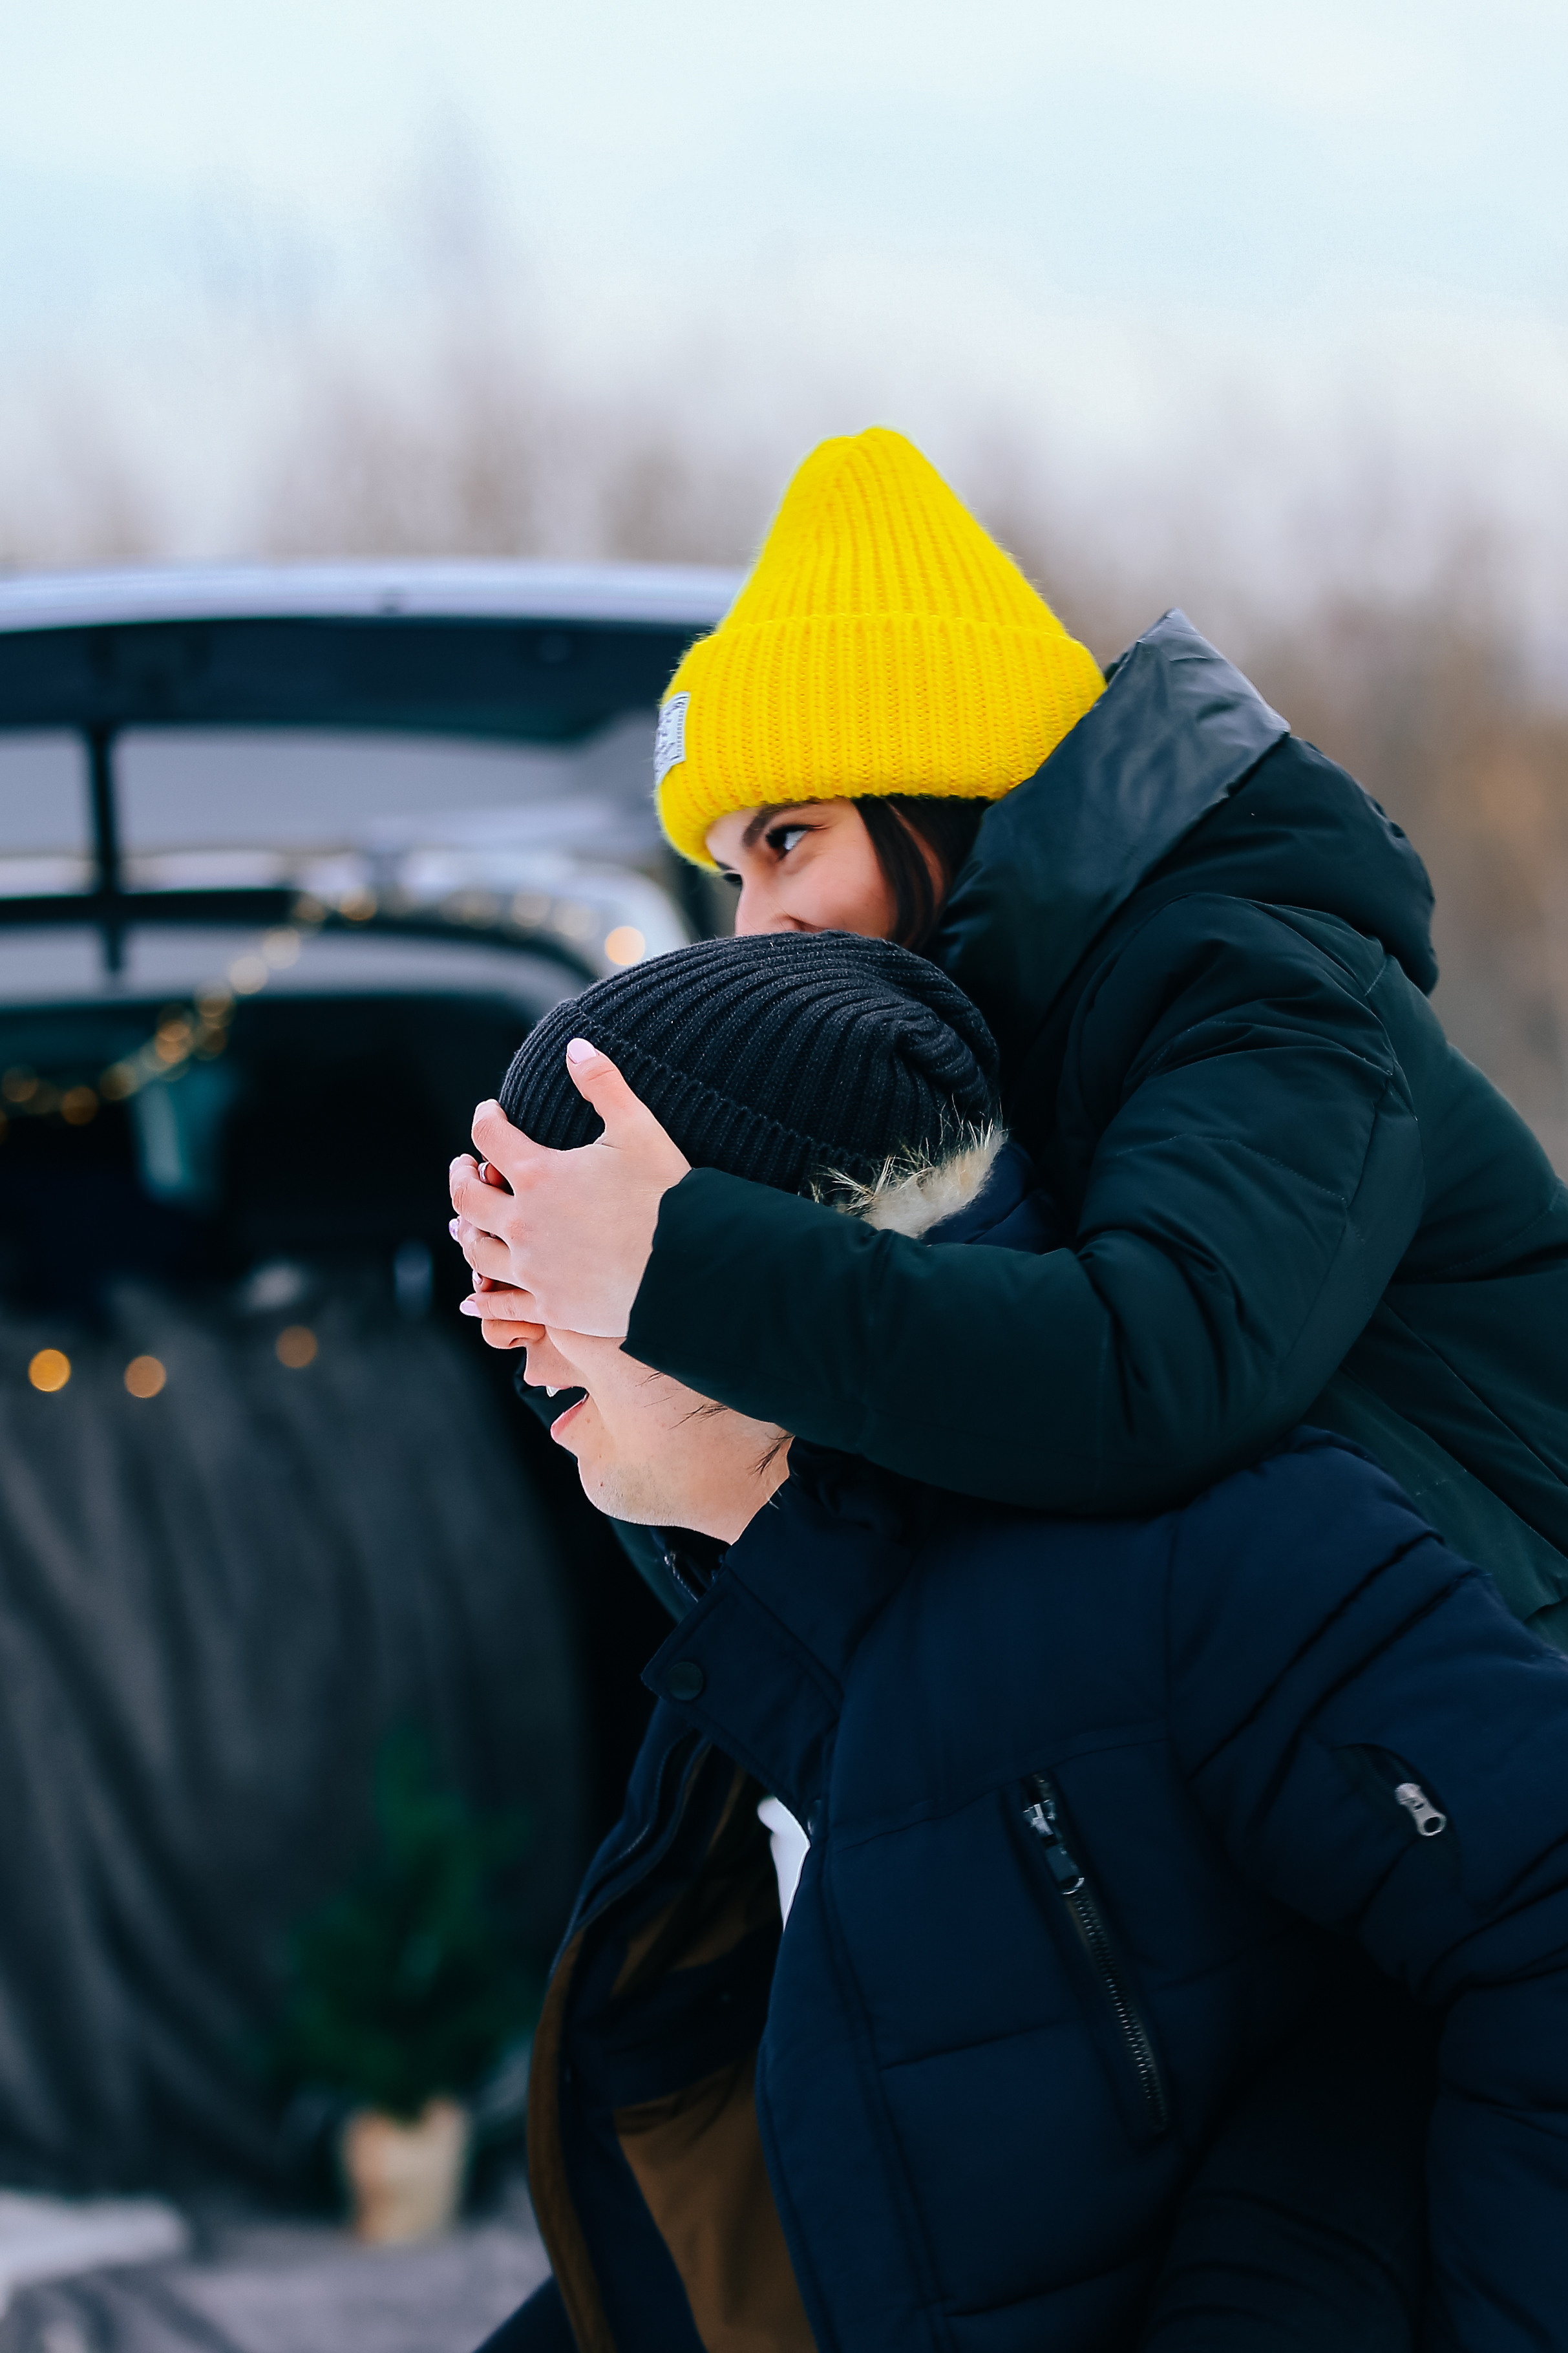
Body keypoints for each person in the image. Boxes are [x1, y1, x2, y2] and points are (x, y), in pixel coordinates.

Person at [474, 932, 1568, 2353]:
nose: (508, 1329)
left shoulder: (1215, 1551)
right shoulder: (766, 1662)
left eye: (555, 1251)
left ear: (770, 1245)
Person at [449, 426, 1568, 1650]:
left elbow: (1149, 1376)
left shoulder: (1254, 978)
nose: (755, 924)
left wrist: (675, 1266)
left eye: (786, 840)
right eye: (727, 873)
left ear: (932, 789)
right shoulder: (970, 1065)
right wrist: (602, 1334)